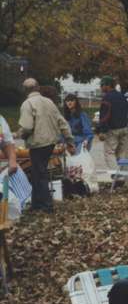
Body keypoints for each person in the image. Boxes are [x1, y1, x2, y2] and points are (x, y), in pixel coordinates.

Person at [18, 79, 74, 213]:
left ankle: (46, 205)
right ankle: (36, 204)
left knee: (39, 174)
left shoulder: (27, 104)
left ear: (25, 90)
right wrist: (69, 140)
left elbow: (27, 127)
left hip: (37, 143)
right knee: (37, 173)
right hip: (50, 143)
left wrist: (20, 135)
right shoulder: (49, 102)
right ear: (38, 87)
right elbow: (63, 123)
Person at [97, 76, 128, 169]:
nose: (101, 87)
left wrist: (102, 131)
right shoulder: (122, 96)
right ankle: (123, 175)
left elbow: (104, 116)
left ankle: (116, 175)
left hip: (112, 130)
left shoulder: (107, 98)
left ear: (107, 85)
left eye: (102, 85)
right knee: (123, 153)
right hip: (124, 128)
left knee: (109, 153)